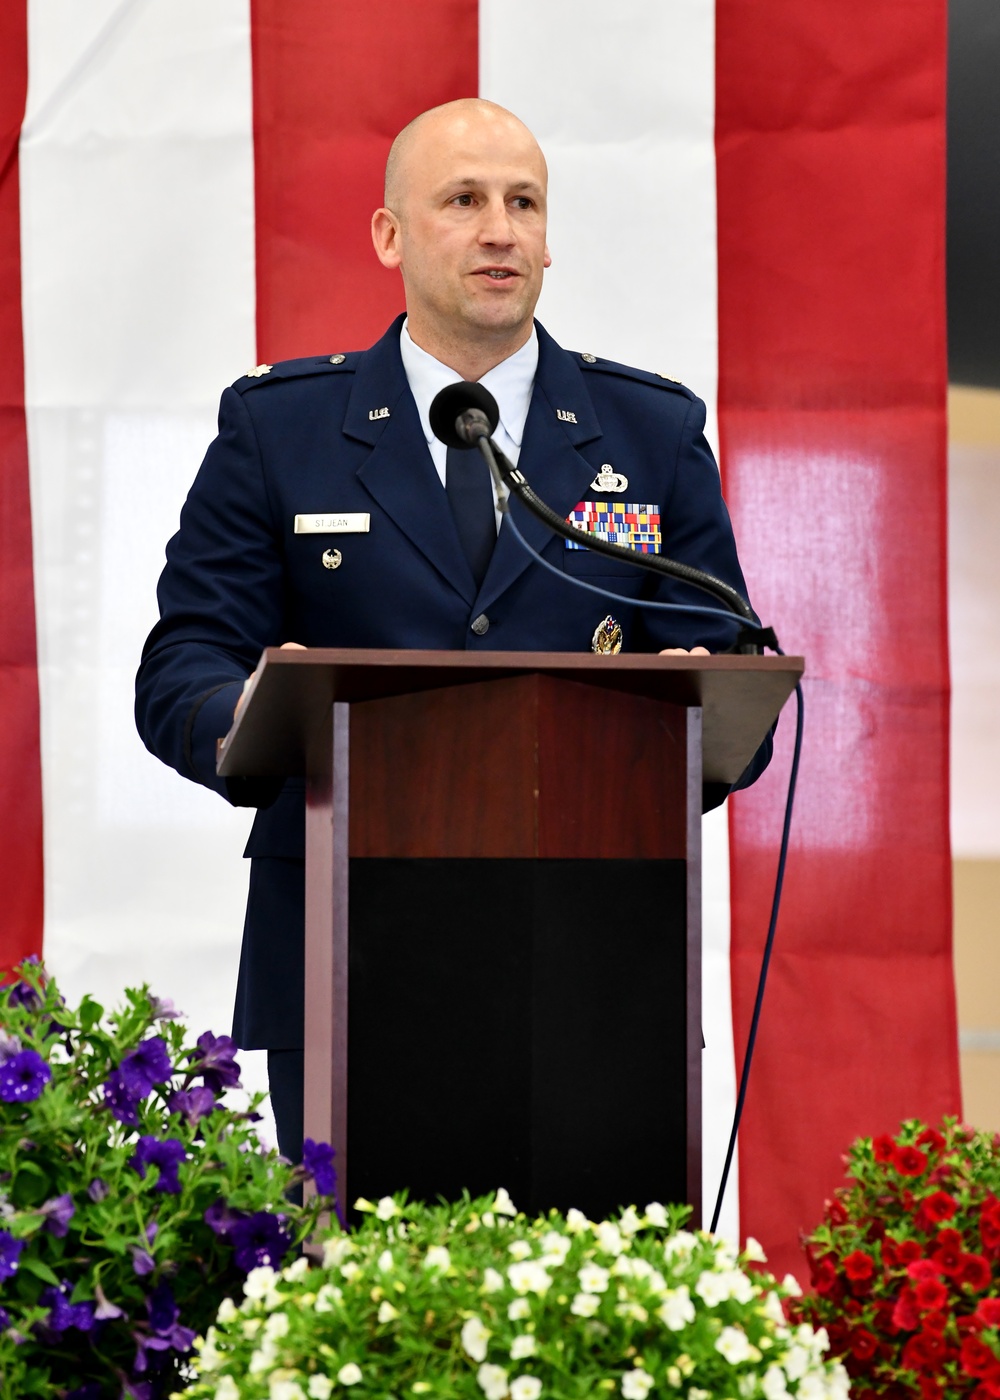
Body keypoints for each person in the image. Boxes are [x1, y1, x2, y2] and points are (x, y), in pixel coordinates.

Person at [135, 99, 770, 1162]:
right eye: (463, 200)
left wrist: (707, 684)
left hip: (595, 943)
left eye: (523, 203)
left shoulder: (650, 431)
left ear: (549, 236)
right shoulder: (279, 429)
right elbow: (182, 661)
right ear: (390, 235)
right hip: (347, 947)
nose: (499, 230)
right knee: (357, 1295)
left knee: (592, 1305)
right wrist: (245, 713)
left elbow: (722, 653)